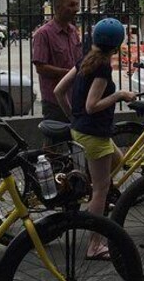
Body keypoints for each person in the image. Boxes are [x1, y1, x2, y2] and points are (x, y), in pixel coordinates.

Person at [54, 18, 136, 259]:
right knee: (101, 188)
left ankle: (95, 203)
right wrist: (120, 94)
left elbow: (59, 91)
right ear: (117, 43)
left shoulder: (85, 59)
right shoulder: (102, 67)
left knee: (118, 161)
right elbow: (92, 106)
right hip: (94, 133)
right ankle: (95, 244)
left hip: (82, 130)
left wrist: (72, 117)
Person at [32, 0, 82, 123]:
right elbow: (40, 67)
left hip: (75, 96)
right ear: (58, 8)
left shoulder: (73, 31)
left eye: (77, 4)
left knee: (76, 136)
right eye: (71, 5)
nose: (76, 9)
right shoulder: (43, 34)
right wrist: (68, 74)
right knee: (54, 140)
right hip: (54, 100)